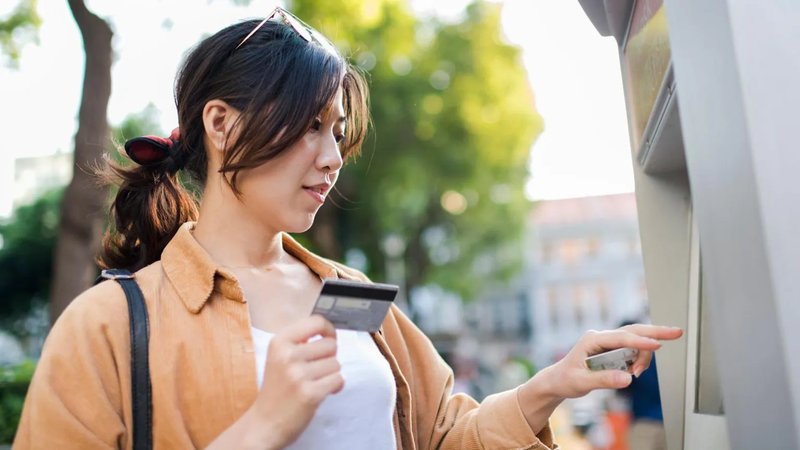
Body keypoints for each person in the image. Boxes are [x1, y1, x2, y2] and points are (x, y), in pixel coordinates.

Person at [13, 8, 682, 450]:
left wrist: (551, 385)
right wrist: (263, 425)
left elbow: (445, 436)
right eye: (308, 126)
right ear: (220, 125)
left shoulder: (351, 295)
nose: (332, 157)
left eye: (336, 132)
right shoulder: (109, 325)